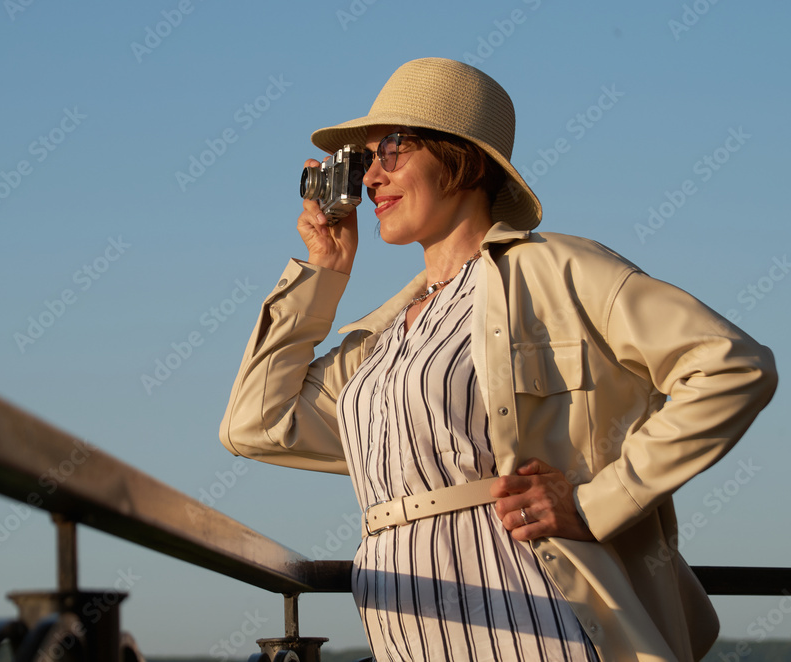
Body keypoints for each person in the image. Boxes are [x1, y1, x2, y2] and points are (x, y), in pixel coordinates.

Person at [218, 57, 777, 661]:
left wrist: (597, 503)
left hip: (535, 624)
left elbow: (732, 365)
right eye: (363, 161)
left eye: (393, 150)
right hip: (406, 630)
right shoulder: (380, 342)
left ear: (467, 159)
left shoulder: (557, 271)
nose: (372, 178)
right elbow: (256, 424)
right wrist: (323, 272)